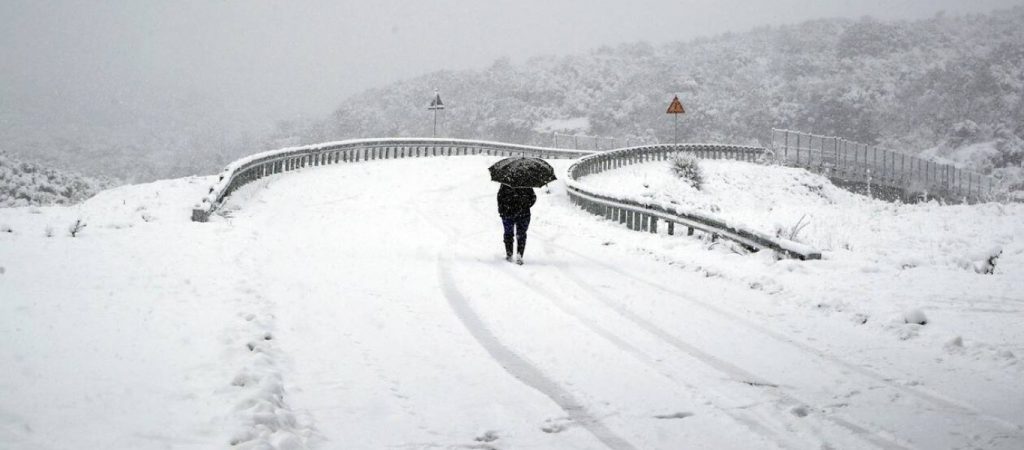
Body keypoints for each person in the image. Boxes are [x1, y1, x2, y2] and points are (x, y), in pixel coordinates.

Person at [497, 183, 536, 265]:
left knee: (508, 234)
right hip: (523, 214)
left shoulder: (505, 183)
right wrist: (525, 205)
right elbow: (533, 198)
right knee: (521, 234)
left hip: (507, 213)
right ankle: (520, 255)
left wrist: (502, 210)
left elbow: (500, 198)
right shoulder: (526, 183)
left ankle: (509, 254)